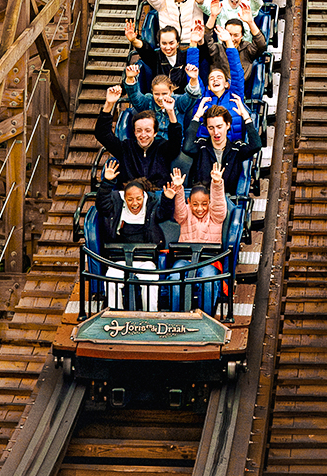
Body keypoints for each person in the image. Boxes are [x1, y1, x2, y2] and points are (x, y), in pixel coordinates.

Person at [94, 165, 165, 309]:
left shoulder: (151, 204)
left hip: (145, 259)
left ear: (143, 196)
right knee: (111, 279)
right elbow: (102, 205)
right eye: (130, 199)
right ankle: (116, 315)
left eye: (138, 198)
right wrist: (107, 182)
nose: (134, 203)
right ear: (124, 198)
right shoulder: (116, 205)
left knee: (150, 279)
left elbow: (164, 213)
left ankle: (150, 316)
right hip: (119, 258)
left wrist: (168, 198)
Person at [163, 166, 228, 311]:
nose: (200, 208)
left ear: (209, 202)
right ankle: (176, 315)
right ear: (189, 202)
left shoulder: (215, 215)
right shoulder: (184, 214)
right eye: (195, 204)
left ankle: (205, 316)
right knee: (174, 277)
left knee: (207, 280)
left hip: (208, 260)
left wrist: (217, 184)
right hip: (184, 259)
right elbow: (179, 209)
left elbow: (218, 204)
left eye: (204, 204)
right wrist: (179, 189)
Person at [95, 87, 183, 188]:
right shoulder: (125, 148)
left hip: (155, 196)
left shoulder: (163, 148)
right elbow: (102, 134)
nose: (143, 135)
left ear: (155, 132)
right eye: (139, 130)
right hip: (130, 196)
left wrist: (170, 112)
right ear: (134, 132)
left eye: (148, 130)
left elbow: (176, 139)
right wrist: (109, 104)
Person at [184, 101, 261, 193]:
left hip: (227, 201)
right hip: (202, 200)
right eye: (211, 128)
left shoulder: (236, 148)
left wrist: (246, 117)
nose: (216, 132)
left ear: (228, 125)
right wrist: (196, 117)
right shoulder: (202, 146)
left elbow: (256, 145)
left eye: (219, 127)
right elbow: (187, 147)